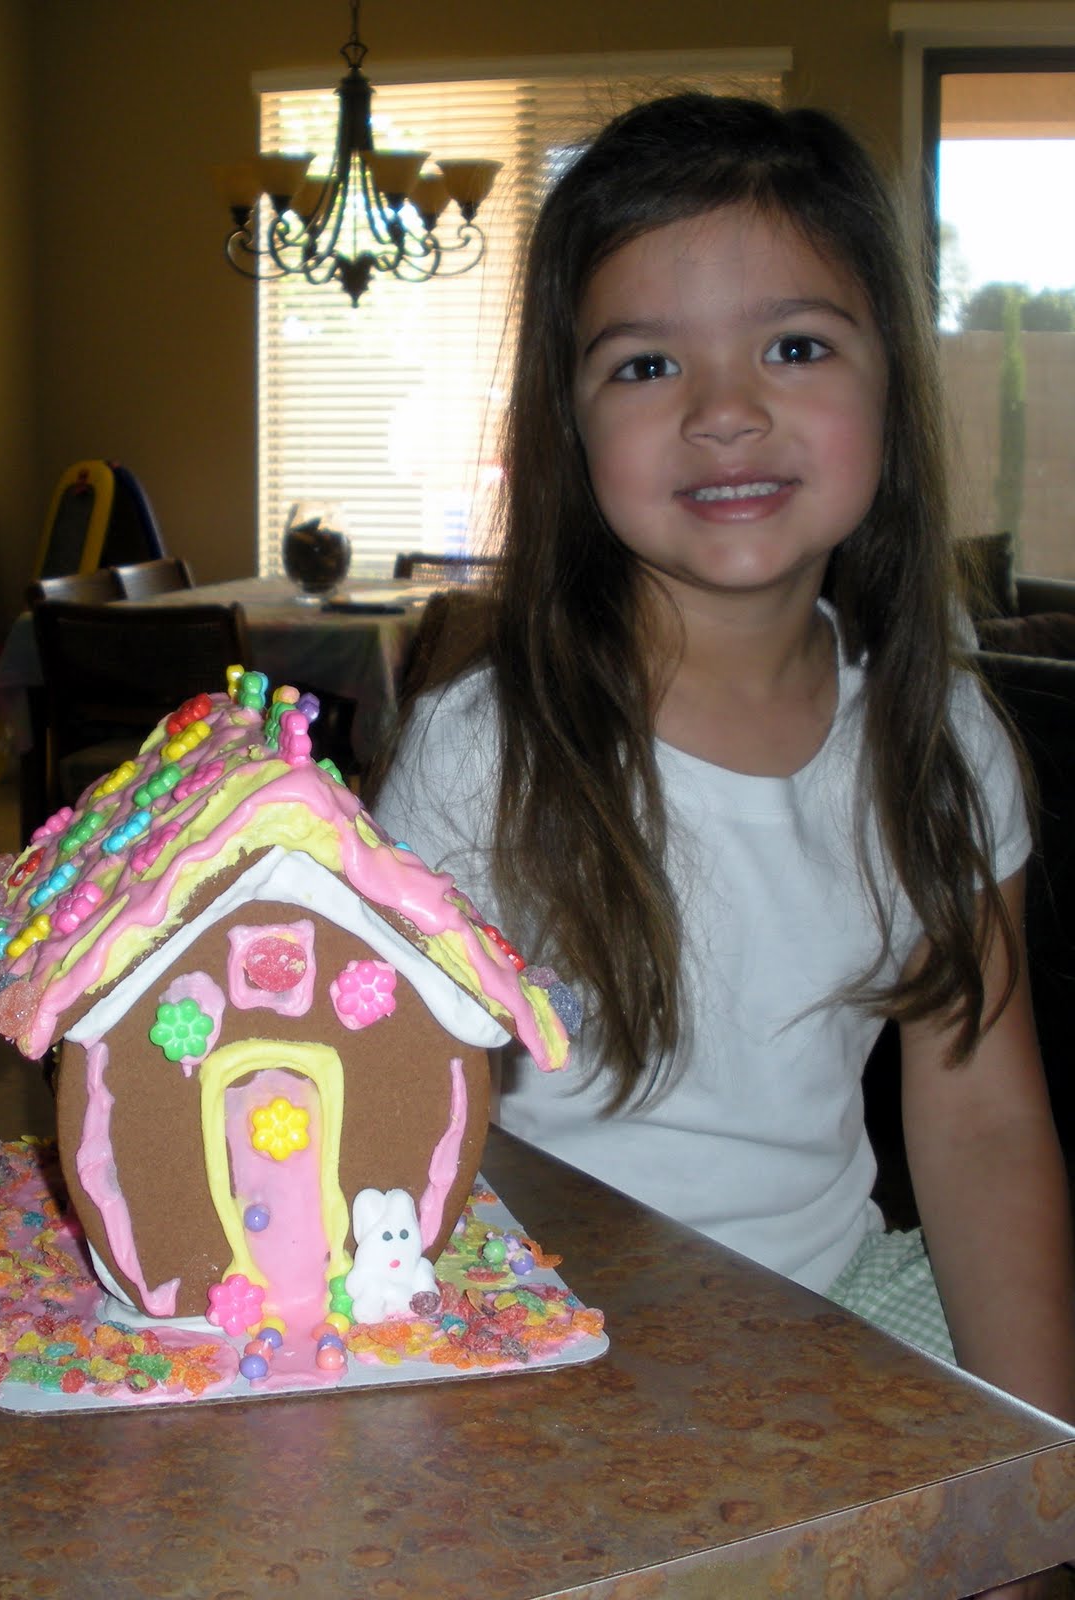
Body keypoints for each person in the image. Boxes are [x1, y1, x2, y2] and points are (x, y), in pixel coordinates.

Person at [372, 90, 1075, 1503]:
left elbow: (984, 1129)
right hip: (534, 1338)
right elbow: (391, 1125)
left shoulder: (943, 746)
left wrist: (1038, 1490)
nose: (726, 410)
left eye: (796, 345)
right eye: (645, 364)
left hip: (833, 1310)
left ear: (890, 387)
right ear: (570, 426)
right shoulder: (481, 755)